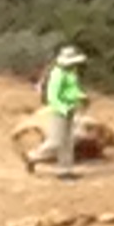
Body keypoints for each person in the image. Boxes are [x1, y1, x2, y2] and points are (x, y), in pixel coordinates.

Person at [39, 42, 87, 179]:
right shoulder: (57, 74)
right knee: (56, 141)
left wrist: (81, 97)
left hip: (70, 108)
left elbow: (73, 89)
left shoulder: (71, 72)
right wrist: (63, 108)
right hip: (58, 111)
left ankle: (65, 170)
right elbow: (52, 96)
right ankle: (34, 156)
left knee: (68, 141)